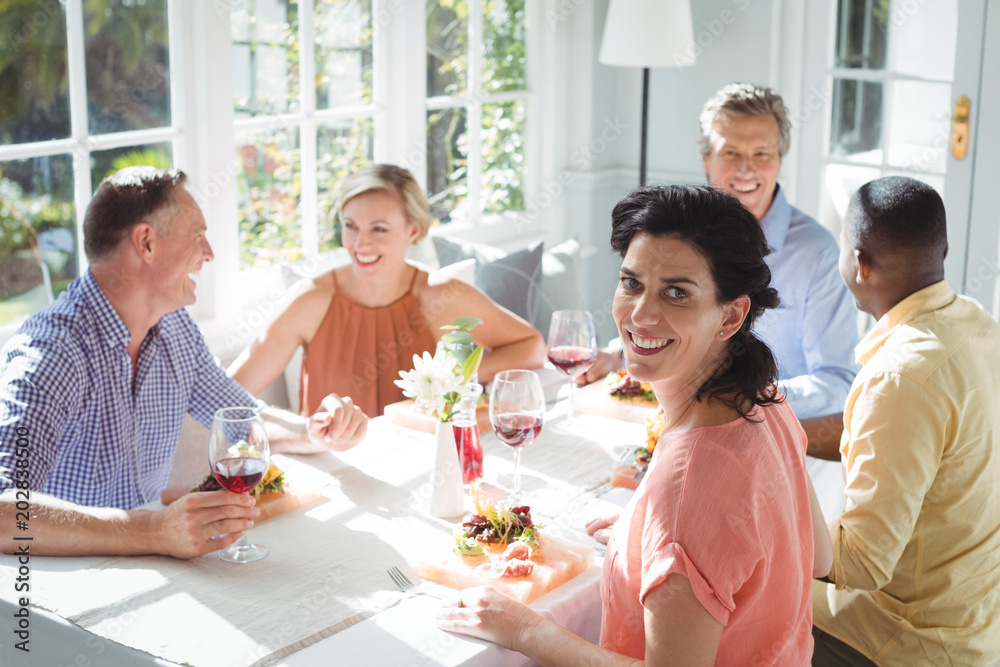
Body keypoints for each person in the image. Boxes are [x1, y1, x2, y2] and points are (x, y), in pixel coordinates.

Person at [436, 185, 832, 664]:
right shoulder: (765, 401)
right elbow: (819, 558)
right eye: (631, 283)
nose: (641, 315)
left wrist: (524, 629)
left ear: (731, 314)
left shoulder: (689, 484)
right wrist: (652, 541)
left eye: (677, 293)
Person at [0, 167, 366, 559]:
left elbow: (244, 423)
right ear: (147, 243)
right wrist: (154, 531)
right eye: (197, 237)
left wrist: (313, 430)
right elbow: (6, 512)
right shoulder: (52, 352)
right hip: (61, 592)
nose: (209, 253)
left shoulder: (174, 328)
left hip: (148, 565)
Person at [583, 83, 859, 519]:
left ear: (780, 160)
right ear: (706, 160)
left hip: (766, 441)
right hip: (670, 427)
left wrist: (733, 398)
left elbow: (839, 381)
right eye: (730, 153)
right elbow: (674, 318)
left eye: (762, 154)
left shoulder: (819, 252)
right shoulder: (678, 233)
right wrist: (619, 352)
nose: (745, 169)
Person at [805, 176, 1000, 666]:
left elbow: (861, 562)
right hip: (975, 619)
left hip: (906, 642)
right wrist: (784, 430)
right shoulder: (976, 325)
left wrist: (762, 501)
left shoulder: (899, 377)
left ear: (860, 263)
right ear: (943, 249)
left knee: (733, 596)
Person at [229, 164, 547, 417]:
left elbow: (531, 346)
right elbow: (227, 394)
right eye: (350, 226)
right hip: (335, 478)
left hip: (422, 467)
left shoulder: (441, 296)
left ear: (413, 231)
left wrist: (456, 380)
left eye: (378, 229)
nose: (360, 243)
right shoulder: (311, 299)